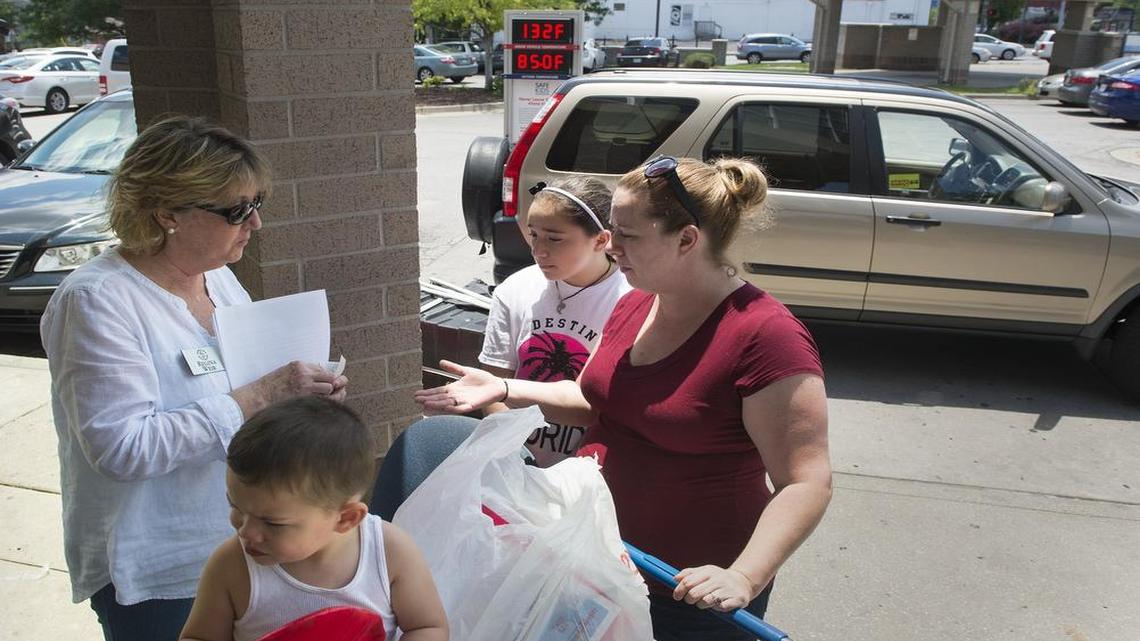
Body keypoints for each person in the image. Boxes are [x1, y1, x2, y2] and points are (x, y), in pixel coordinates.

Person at [416, 155, 832, 641]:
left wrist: (743, 576)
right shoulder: (638, 300)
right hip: (596, 557)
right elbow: (596, 399)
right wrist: (506, 387)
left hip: (690, 587)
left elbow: (806, 481)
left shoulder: (765, 335)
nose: (610, 245)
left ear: (686, 239)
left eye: (627, 235)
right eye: (611, 229)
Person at [40, 116, 348, 641]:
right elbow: (121, 448)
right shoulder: (98, 302)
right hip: (162, 570)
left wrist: (303, 398)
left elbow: (246, 400)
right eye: (236, 211)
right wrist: (262, 394)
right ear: (167, 214)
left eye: (257, 205)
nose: (254, 224)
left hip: (244, 543)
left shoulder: (219, 280)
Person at [179, 397, 448, 641]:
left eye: (272, 523)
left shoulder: (389, 553)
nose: (246, 531)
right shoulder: (232, 566)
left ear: (346, 519)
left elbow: (427, 627)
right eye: (235, 507)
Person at [479, 176, 631, 467]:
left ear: (601, 239)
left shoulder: (631, 298)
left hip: (593, 472)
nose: (538, 250)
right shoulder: (515, 289)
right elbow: (493, 387)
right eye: (533, 234)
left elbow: (611, 405)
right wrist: (514, 458)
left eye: (554, 238)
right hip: (519, 466)